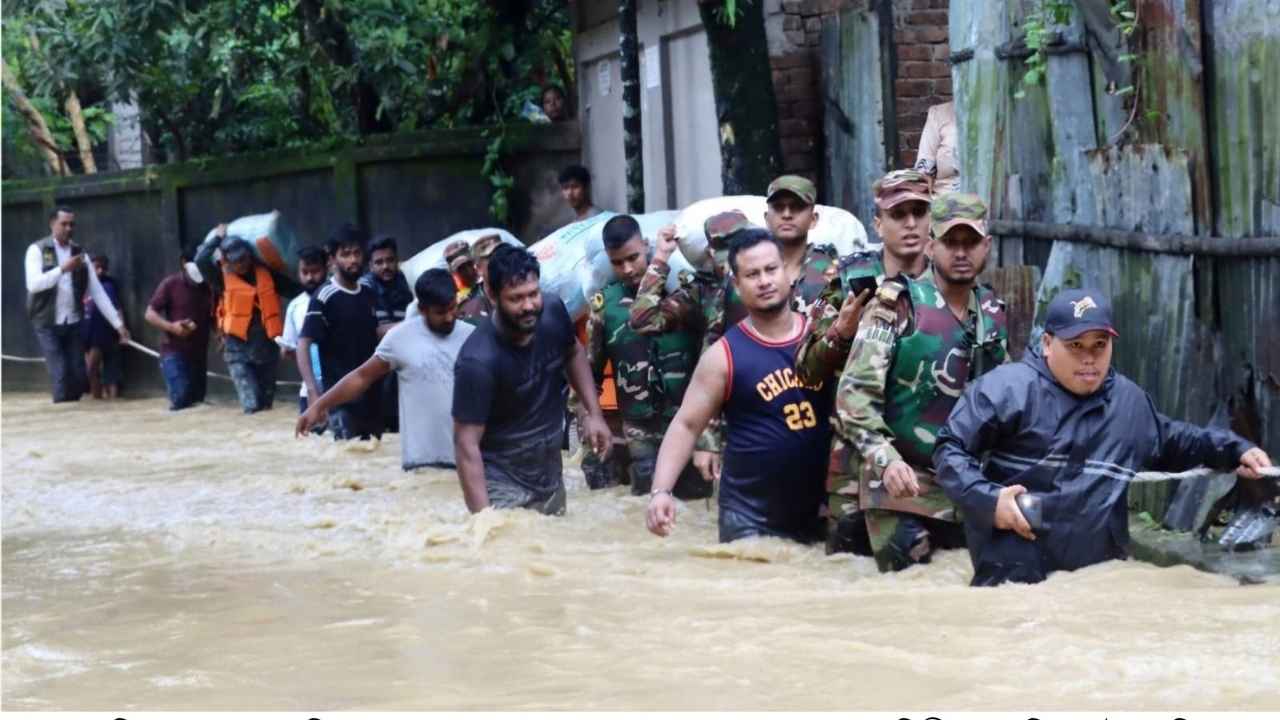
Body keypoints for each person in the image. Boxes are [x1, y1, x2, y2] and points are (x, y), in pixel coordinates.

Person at [934, 289, 1274, 586]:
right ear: (1047, 344)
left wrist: (1235, 449)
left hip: (1096, 587)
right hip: (1012, 588)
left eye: (1100, 345)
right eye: (1075, 346)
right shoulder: (1005, 390)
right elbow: (950, 449)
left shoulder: (1129, 405)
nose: (1089, 358)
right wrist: (989, 501)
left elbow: (1179, 441)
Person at [826, 193, 1009, 569]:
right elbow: (854, 396)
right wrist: (886, 460)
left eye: (971, 242)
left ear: (987, 246)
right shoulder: (895, 304)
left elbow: (1008, 400)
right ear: (930, 245)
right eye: (950, 242)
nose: (961, 252)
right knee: (912, 571)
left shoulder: (992, 313)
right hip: (896, 480)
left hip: (962, 480)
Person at [646, 229, 832, 543]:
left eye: (771, 269)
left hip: (818, 510)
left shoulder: (823, 338)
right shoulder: (723, 356)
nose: (764, 281)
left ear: (788, 272)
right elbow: (687, 425)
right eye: (752, 274)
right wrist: (661, 491)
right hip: (748, 516)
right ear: (736, 284)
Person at [452, 244, 612, 515]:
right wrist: (483, 520)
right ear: (492, 295)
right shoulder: (477, 361)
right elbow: (466, 445)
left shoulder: (552, 311)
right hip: (502, 484)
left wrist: (594, 413)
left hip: (549, 477)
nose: (528, 306)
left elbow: (573, 351)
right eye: (516, 298)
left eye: (533, 294)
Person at [580, 215, 711, 498]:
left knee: (697, 498)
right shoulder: (605, 305)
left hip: (688, 419)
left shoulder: (682, 292)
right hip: (639, 427)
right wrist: (590, 419)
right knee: (647, 499)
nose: (627, 269)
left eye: (633, 258)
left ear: (646, 246)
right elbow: (587, 373)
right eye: (617, 263)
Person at [298, 269, 476, 470]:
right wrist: (319, 406)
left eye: (452, 308)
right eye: (440, 312)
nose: (449, 317)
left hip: (466, 463)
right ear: (422, 309)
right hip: (419, 463)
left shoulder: (472, 337)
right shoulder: (400, 338)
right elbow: (361, 377)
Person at [796, 168, 936, 386]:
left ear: (930, 220)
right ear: (878, 226)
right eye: (898, 214)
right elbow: (805, 373)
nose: (910, 223)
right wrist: (840, 334)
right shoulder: (848, 279)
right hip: (856, 405)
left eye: (918, 213)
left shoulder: (945, 281)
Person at [24, 206, 130, 402]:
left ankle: (71, 411)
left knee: (80, 377)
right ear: (52, 224)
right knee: (60, 374)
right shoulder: (37, 250)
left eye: (72, 224)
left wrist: (118, 325)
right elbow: (34, 284)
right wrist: (62, 269)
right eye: (64, 224)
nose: (69, 228)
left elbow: (97, 292)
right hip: (46, 322)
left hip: (73, 322)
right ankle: (61, 409)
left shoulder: (81, 254)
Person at [299, 225, 382, 440]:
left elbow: (377, 333)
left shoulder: (369, 293)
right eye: (345, 254)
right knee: (347, 451)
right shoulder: (324, 296)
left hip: (372, 397)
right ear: (333, 260)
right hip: (339, 399)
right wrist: (313, 392)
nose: (353, 260)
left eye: (357, 253)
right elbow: (304, 345)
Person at [215, 236, 283, 413]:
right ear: (226, 261)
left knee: (266, 405)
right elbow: (201, 261)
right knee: (251, 406)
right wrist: (217, 237)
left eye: (244, 258)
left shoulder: (267, 274)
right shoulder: (219, 278)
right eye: (236, 261)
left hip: (266, 348)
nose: (241, 264)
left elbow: (294, 289)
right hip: (237, 349)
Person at [145, 248, 212, 410]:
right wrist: (172, 327)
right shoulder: (171, 284)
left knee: (197, 402)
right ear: (184, 263)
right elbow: (149, 314)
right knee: (181, 399)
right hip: (173, 352)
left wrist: (221, 335)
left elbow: (213, 317)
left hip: (198, 355)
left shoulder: (209, 286)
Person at [361, 235, 413, 433]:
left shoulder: (404, 287)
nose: (386, 266)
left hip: (398, 368)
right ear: (370, 265)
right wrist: (410, 325)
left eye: (390, 260)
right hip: (371, 367)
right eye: (379, 262)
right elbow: (372, 332)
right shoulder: (364, 290)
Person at [277, 245, 329, 416]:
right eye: (304, 272)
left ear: (326, 269)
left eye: (315, 271)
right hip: (309, 391)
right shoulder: (295, 306)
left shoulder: (337, 298)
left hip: (341, 387)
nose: (309, 277)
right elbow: (289, 346)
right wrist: (289, 351)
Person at [82, 254, 125, 399]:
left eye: (103, 268)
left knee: (94, 370)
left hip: (103, 335)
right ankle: (99, 403)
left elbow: (117, 309)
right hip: (87, 335)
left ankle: (107, 402)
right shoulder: (82, 285)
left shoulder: (107, 286)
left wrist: (122, 329)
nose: (100, 271)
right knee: (95, 372)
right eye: (96, 268)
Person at [915, 101, 959, 194]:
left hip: (987, 197)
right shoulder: (939, 113)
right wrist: (923, 177)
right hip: (945, 195)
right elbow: (924, 166)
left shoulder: (992, 116)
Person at [458, 234, 499, 322]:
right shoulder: (471, 310)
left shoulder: (525, 288)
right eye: (491, 258)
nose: (500, 261)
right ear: (479, 269)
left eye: (502, 254)